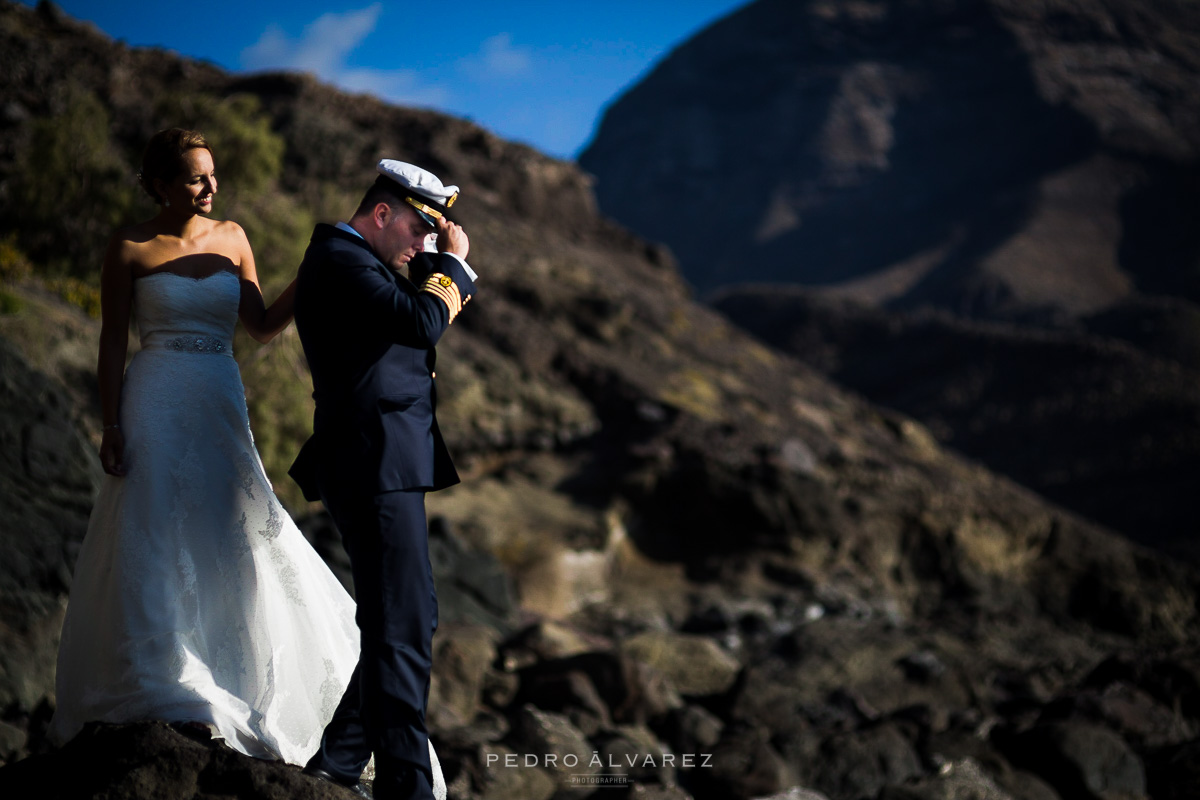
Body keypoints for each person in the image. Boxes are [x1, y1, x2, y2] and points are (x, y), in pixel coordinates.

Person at [48, 128, 367, 773]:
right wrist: (110, 423)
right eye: (196, 178)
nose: (210, 187)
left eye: (213, 176)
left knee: (234, 528)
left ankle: (243, 678)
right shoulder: (129, 246)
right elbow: (112, 342)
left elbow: (262, 326)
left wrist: (314, 273)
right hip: (155, 394)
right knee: (155, 525)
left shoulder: (235, 237)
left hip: (219, 394)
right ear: (161, 184)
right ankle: (171, 675)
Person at [289, 159, 476, 800]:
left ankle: (340, 762)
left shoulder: (362, 262)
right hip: (372, 462)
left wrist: (438, 262)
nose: (423, 246)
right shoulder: (343, 262)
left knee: (405, 619)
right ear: (382, 214)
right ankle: (404, 787)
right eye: (418, 232)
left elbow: (420, 311)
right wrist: (451, 262)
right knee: (400, 625)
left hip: (384, 461)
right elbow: (424, 323)